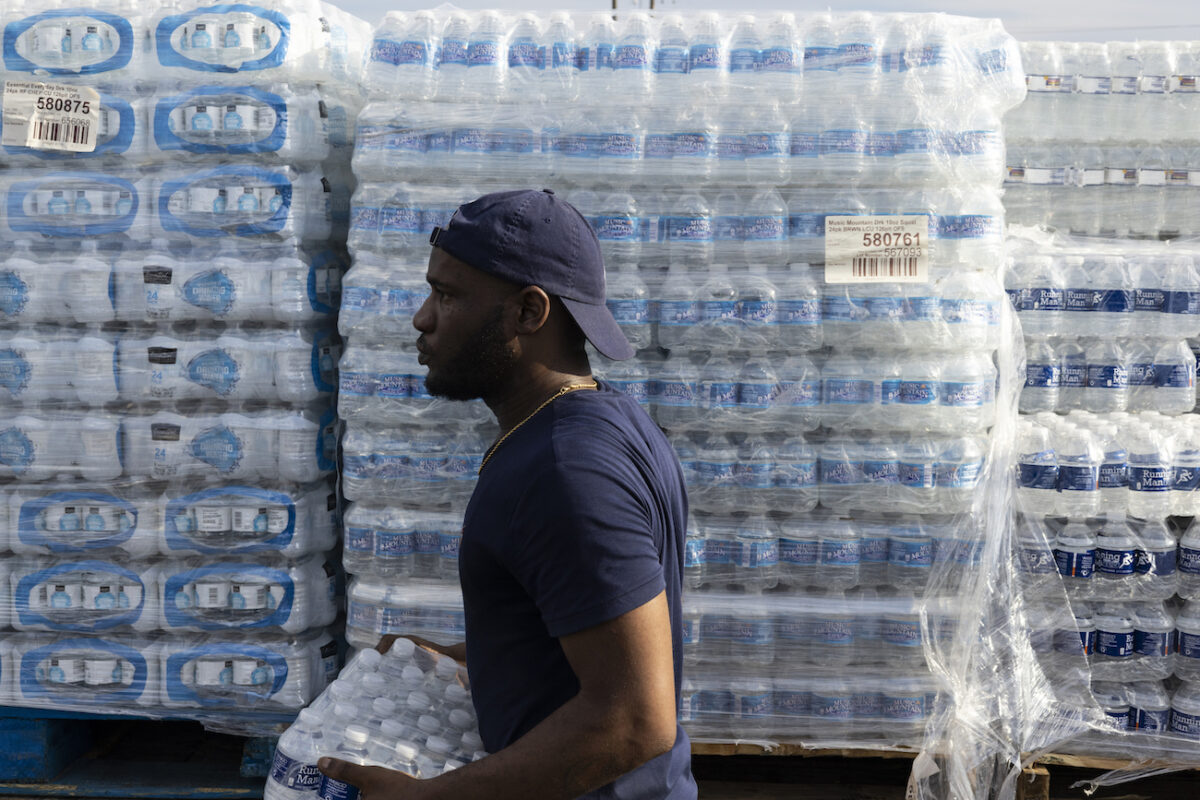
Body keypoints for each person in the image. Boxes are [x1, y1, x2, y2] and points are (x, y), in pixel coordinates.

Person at [318, 189, 697, 800]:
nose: (422, 317)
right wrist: (472, 656)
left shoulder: (566, 471)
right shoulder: (593, 421)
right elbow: (579, 624)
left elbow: (634, 722)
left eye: (448, 296)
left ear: (529, 312)